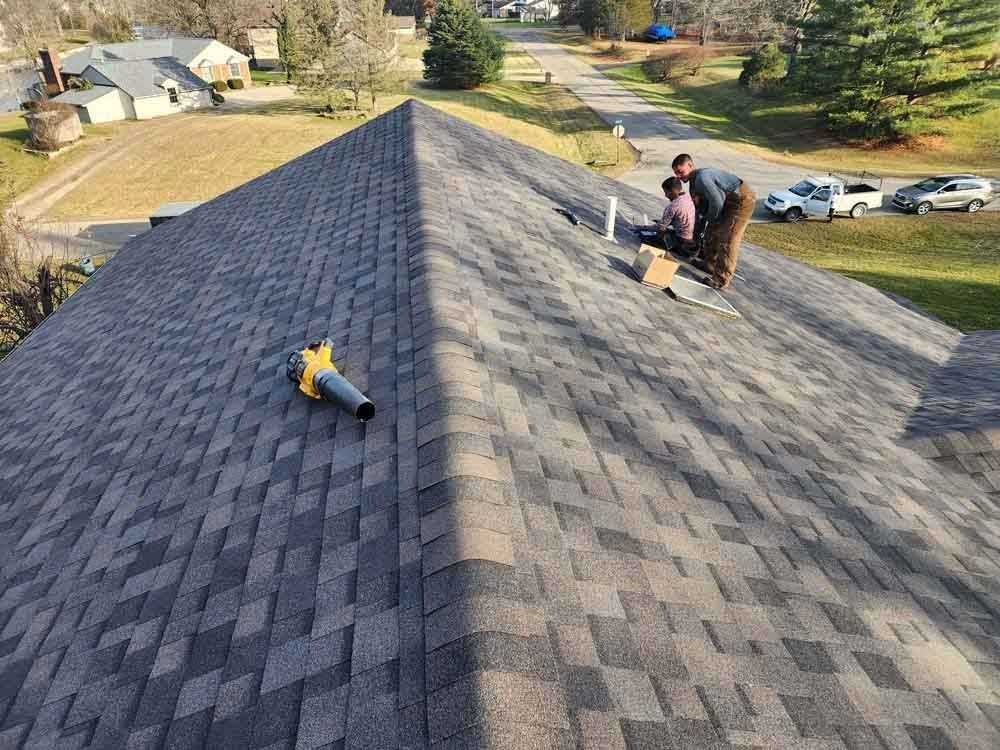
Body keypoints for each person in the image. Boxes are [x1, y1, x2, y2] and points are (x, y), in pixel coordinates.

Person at [671, 154, 755, 289]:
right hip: (725, 202)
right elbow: (700, 212)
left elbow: (717, 203)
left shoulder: (703, 178)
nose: (679, 176)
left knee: (728, 238)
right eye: (676, 173)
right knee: (711, 232)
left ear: (690, 165)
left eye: (680, 172)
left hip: (741, 200)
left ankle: (721, 279)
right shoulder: (693, 185)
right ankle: (710, 264)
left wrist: (711, 221)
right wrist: (695, 237)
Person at [657, 177, 697, 257]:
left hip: (682, 241)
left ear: (673, 191)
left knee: (653, 235)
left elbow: (661, 228)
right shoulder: (689, 197)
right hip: (693, 237)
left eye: (666, 192)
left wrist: (641, 228)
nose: (666, 195)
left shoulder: (673, 206)